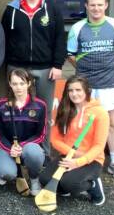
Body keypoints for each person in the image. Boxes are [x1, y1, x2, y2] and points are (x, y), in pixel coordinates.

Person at [66, 0, 114, 180]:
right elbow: (70, 54)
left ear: (106, 5)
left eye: (100, 5)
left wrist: (112, 69)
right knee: (81, 123)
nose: (96, 8)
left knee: (112, 123)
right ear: (86, 6)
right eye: (92, 5)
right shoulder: (77, 28)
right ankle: (81, 159)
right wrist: (84, 71)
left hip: (109, 84)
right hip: (84, 86)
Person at [1, 0, 65, 153]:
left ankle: (44, 151)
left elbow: (60, 38)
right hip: (17, 66)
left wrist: (58, 65)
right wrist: (6, 65)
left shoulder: (51, 8)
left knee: (43, 110)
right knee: (16, 108)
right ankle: (15, 148)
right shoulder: (12, 9)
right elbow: (5, 38)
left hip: (45, 67)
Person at [39, 76, 109, 206]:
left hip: (92, 159)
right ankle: (64, 189)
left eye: (78, 90)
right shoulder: (65, 109)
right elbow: (55, 139)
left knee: (70, 183)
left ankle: (93, 185)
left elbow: (99, 146)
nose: (74, 94)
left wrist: (78, 162)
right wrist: (73, 154)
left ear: (87, 90)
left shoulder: (100, 113)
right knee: (44, 179)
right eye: (71, 90)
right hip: (69, 155)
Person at [0, 68, 48, 195]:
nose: (18, 87)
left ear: (29, 83)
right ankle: (12, 172)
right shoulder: (1, 104)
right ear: (10, 84)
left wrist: (21, 146)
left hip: (28, 147)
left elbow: (41, 134)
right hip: (7, 147)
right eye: (15, 83)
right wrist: (10, 148)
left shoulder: (40, 105)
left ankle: (34, 179)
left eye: (22, 83)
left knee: (34, 153)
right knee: (6, 172)